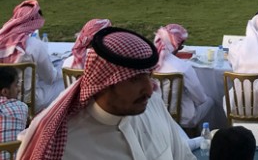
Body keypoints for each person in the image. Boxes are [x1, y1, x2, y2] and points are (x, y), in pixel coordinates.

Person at [16, 27, 196, 160]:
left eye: (148, 76)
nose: (150, 90)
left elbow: (184, 156)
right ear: (104, 83)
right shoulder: (61, 143)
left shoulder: (154, 105)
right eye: (135, 80)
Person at [0, 0, 64, 113]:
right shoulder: (35, 45)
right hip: (29, 100)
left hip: (4, 95)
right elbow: (50, 78)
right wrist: (62, 66)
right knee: (65, 83)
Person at [153, 24, 214, 129]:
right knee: (210, 101)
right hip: (181, 117)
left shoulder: (148, 63)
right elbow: (200, 98)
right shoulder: (183, 67)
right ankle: (204, 132)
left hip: (154, 113)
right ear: (176, 45)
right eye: (181, 45)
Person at [0, 66, 28, 145]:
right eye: (16, 85)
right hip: (17, 153)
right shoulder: (22, 107)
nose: (19, 89)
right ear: (5, 92)